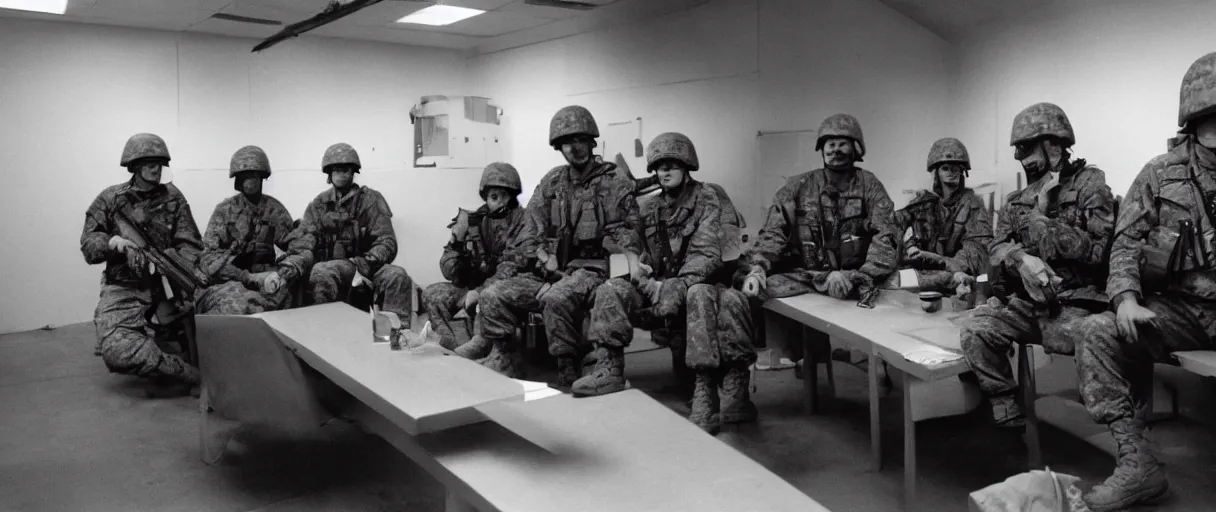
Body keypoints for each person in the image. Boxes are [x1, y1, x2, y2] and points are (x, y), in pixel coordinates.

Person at [1073, 52, 1216, 511]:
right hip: (1180, 311)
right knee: (1096, 333)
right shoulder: (1160, 172)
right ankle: (1139, 464)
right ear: (1194, 119)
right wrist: (1126, 299)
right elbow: (1126, 243)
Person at [959, 102, 1116, 432]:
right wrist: (1022, 258)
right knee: (976, 327)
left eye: (1026, 148)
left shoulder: (1090, 185)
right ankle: (1007, 408)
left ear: (1054, 144)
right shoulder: (1018, 199)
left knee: (1101, 340)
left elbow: (1100, 251)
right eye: (1018, 150)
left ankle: (1116, 432)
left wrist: (1043, 222)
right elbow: (997, 247)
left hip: (1078, 307)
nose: (1021, 158)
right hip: (1031, 308)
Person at [476, 105, 643, 393]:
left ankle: (567, 366)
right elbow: (531, 227)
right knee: (493, 294)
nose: (575, 148)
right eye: (567, 143)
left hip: (594, 269)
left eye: (580, 140)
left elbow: (630, 232)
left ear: (592, 142)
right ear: (559, 147)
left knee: (558, 297)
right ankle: (503, 356)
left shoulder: (614, 181)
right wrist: (543, 256)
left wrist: (608, 249)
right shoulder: (553, 182)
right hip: (550, 271)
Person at [605, 132, 756, 433]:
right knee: (610, 290)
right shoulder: (649, 208)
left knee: (708, 296)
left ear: (687, 166)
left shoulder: (709, 196)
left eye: (673, 164)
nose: (665, 170)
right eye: (660, 165)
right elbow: (621, 234)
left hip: (704, 284)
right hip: (661, 287)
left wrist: (670, 286)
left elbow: (708, 254)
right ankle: (605, 369)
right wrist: (637, 262)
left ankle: (707, 389)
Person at [740, 113, 900, 364]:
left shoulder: (869, 185)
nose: (835, 149)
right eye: (830, 143)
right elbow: (774, 230)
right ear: (821, 148)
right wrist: (759, 266)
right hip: (810, 279)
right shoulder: (798, 185)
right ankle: (766, 361)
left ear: (856, 148)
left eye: (842, 143)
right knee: (748, 290)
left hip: (858, 279)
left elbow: (887, 235)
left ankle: (885, 362)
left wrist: (864, 273)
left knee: (903, 291)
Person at [80, 133, 204, 391]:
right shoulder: (111, 198)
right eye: (148, 163)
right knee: (118, 352)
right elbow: (89, 244)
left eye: (159, 163)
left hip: (168, 285)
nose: (155, 168)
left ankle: (173, 344)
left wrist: (174, 260)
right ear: (134, 166)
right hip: (125, 287)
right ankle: (184, 371)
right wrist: (114, 244)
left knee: (204, 320)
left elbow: (192, 243)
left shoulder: (173, 197)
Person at [422, 162, 528, 353]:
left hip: (505, 287)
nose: (500, 202)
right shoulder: (474, 221)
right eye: (494, 196)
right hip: (473, 286)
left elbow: (513, 266)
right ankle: (448, 344)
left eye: (505, 196)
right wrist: (456, 244)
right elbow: (447, 270)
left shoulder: (522, 221)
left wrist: (479, 291)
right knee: (432, 293)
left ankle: (484, 344)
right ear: (486, 197)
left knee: (490, 294)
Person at [195, 145, 314, 315]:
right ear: (238, 180)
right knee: (237, 305)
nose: (251, 181)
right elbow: (208, 257)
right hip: (229, 281)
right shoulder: (224, 211)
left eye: (255, 175)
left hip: (267, 279)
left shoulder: (275, 210)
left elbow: (300, 246)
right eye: (246, 176)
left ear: (262, 177)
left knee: (284, 301)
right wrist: (246, 277)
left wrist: (289, 267)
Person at [301, 143, 413, 321]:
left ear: (353, 172)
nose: (342, 173)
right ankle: (324, 336)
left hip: (367, 266)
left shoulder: (370, 200)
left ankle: (390, 339)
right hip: (332, 268)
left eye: (346, 169)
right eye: (336, 169)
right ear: (329, 173)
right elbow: (305, 242)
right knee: (321, 271)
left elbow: (387, 242)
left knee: (397, 276)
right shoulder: (319, 204)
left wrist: (362, 264)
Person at [892, 137, 991, 294]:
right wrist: (907, 244)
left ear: (962, 172)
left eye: (956, 168)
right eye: (946, 168)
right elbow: (892, 226)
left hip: (957, 276)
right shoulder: (924, 202)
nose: (952, 173)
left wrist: (941, 261)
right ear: (936, 172)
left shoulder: (973, 204)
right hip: (924, 275)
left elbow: (977, 249)